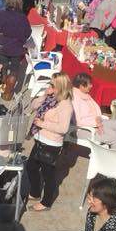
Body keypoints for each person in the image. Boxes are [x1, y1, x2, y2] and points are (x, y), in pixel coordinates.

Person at [25, 73, 74, 213]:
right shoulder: (52, 98)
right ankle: (35, 192)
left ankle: (46, 202)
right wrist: (44, 95)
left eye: (52, 85)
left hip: (51, 144)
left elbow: (63, 128)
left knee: (48, 174)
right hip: (40, 140)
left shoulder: (65, 105)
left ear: (61, 87)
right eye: (50, 84)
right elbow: (33, 106)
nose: (49, 86)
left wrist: (43, 124)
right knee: (31, 167)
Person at [72, 72, 116, 151]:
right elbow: (78, 121)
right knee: (114, 136)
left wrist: (98, 118)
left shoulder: (85, 95)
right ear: (81, 86)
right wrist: (96, 124)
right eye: (89, 84)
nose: (91, 86)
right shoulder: (74, 99)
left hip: (96, 121)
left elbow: (96, 107)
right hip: (82, 129)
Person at [0, 0, 31, 83]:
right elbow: (28, 33)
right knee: (14, 70)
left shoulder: (2, 15)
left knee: (3, 68)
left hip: (3, 45)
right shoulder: (23, 18)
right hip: (17, 47)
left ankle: (3, 85)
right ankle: (8, 92)